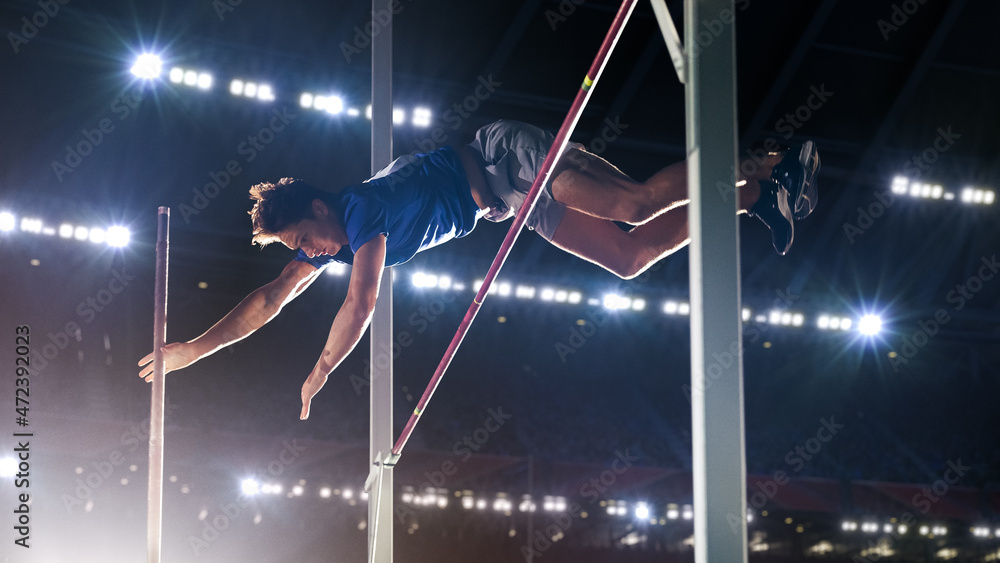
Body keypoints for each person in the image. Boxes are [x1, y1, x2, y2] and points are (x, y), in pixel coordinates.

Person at [138, 120, 819, 420]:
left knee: (634, 205)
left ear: (319, 207)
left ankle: (760, 163)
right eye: (304, 249)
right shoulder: (332, 240)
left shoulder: (358, 211)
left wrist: (320, 370)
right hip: (508, 200)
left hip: (505, 160)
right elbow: (269, 298)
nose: (310, 253)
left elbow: (364, 300)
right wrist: (193, 350)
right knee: (630, 256)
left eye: (306, 238)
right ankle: (757, 195)